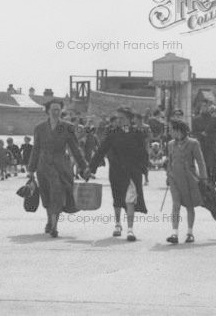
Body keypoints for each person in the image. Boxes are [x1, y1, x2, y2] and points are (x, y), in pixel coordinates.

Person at [28, 99, 88, 238]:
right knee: (46, 195)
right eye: (53, 109)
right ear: (48, 110)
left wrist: (83, 166)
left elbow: (75, 148)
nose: (55, 112)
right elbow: (35, 149)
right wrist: (31, 168)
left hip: (60, 165)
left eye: (58, 109)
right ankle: (50, 220)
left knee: (57, 193)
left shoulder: (67, 127)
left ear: (61, 111)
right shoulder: (40, 128)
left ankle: (54, 225)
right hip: (43, 166)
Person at [90, 106, 148, 241]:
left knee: (130, 199)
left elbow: (143, 153)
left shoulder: (138, 133)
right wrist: (91, 168)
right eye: (118, 118)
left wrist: (143, 169)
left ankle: (130, 229)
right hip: (116, 170)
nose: (119, 121)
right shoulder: (112, 133)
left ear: (130, 119)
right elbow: (101, 151)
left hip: (133, 172)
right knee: (117, 198)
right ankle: (117, 224)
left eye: (122, 118)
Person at [165, 119, 208, 244]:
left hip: (189, 178)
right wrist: (168, 176)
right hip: (174, 178)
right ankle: (174, 233)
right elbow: (170, 161)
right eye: (171, 130)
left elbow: (200, 161)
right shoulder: (170, 144)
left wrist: (203, 178)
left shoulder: (193, 143)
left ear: (180, 131)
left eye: (173, 130)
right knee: (176, 204)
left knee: (189, 205)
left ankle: (189, 233)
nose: (171, 132)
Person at [191, 101, 216, 184]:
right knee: (203, 163)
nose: (205, 108)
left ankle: (213, 179)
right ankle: (205, 179)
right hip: (201, 145)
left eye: (207, 106)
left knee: (214, 163)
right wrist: (201, 135)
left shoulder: (214, 119)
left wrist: (208, 136)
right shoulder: (196, 119)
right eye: (203, 106)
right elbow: (194, 132)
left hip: (211, 145)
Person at [134, 113, 152, 186]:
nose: (135, 120)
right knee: (136, 165)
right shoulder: (134, 127)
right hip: (135, 149)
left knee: (145, 165)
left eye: (136, 119)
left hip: (144, 148)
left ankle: (146, 179)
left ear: (140, 119)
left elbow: (150, 136)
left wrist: (144, 141)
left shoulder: (146, 127)